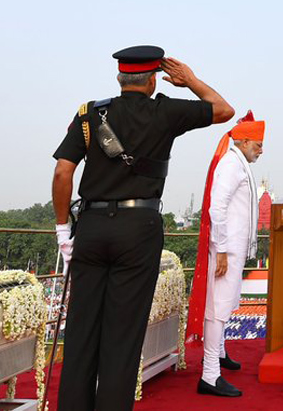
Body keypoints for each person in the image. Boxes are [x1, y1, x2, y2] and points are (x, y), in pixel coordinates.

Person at [52, 46, 234, 411]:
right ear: (153, 79)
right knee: (123, 336)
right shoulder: (165, 110)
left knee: (81, 332)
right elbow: (223, 110)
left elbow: (63, 172)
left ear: (120, 78)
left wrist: (62, 232)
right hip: (139, 229)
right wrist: (191, 80)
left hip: (90, 226)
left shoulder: (90, 114)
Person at [184, 112, 267, 397]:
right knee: (217, 309)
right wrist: (220, 250)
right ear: (243, 142)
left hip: (232, 248)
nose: (261, 149)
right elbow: (216, 209)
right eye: (257, 144)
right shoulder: (232, 165)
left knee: (225, 303)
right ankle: (209, 374)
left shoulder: (239, 162)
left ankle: (218, 354)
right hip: (226, 249)